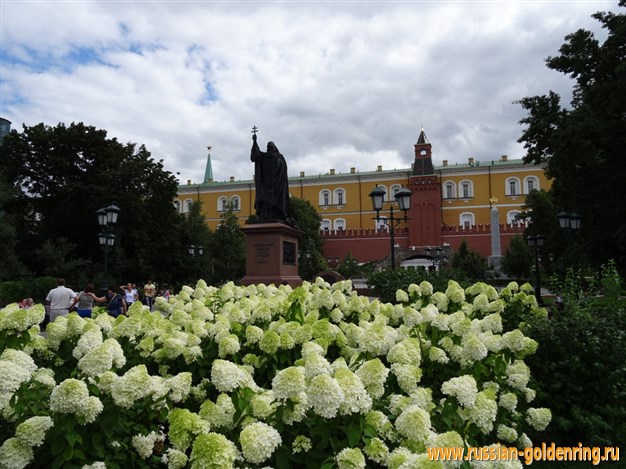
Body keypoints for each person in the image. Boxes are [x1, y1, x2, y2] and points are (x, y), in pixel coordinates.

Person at [250, 133, 293, 224]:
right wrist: (254, 142)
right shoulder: (265, 156)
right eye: (268, 147)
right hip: (265, 184)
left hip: (276, 185)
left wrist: (275, 161)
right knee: (265, 201)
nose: (269, 149)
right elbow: (255, 156)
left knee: (274, 203)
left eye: (271, 147)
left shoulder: (279, 157)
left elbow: (282, 167)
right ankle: (264, 216)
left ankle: (276, 215)